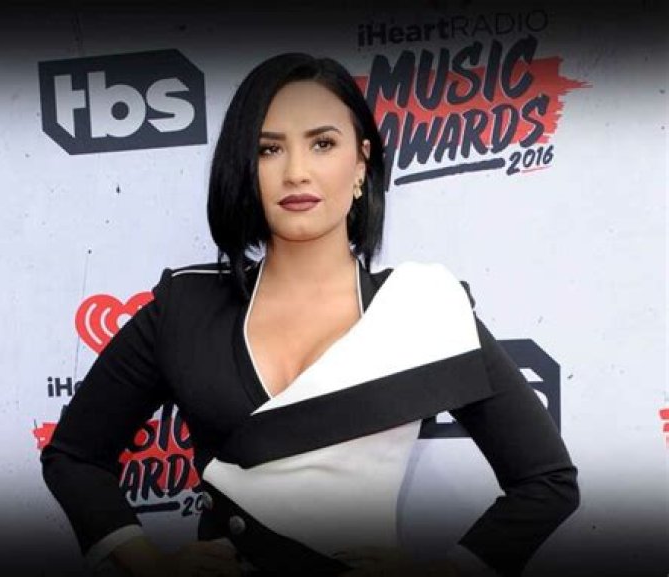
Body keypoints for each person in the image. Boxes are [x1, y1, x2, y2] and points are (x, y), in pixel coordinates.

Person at [41, 53, 580, 577]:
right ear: (244, 168)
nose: (296, 172)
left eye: (322, 143)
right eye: (269, 149)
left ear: (361, 162)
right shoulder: (185, 307)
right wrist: (147, 562)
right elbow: (74, 456)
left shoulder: (423, 307)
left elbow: (547, 481)